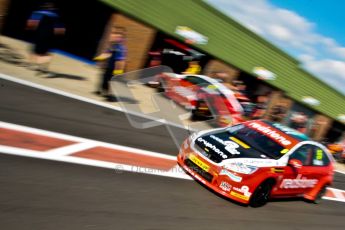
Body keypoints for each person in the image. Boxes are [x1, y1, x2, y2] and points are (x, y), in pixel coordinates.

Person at [26, 2, 65, 74]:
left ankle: (33, 65)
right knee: (46, 52)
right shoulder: (56, 15)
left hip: (39, 35)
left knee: (35, 50)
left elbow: (31, 24)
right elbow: (60, 29)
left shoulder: (38, 13)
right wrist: (58, 38)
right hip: (49, 37)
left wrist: (30, 31)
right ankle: (43, 67)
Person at [94, 27, 127, 99]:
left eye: (117, 36)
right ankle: (102, 91)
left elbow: (120, 61)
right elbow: (107, 53)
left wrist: (118, 71)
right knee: (104, 78)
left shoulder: (120, 48)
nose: (113, 36)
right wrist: (100, 59)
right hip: (109, 67)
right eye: (114, 34)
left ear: (121, 39)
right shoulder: (113, 46)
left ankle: (110, 95)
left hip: (115, 68)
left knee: (112, 82)